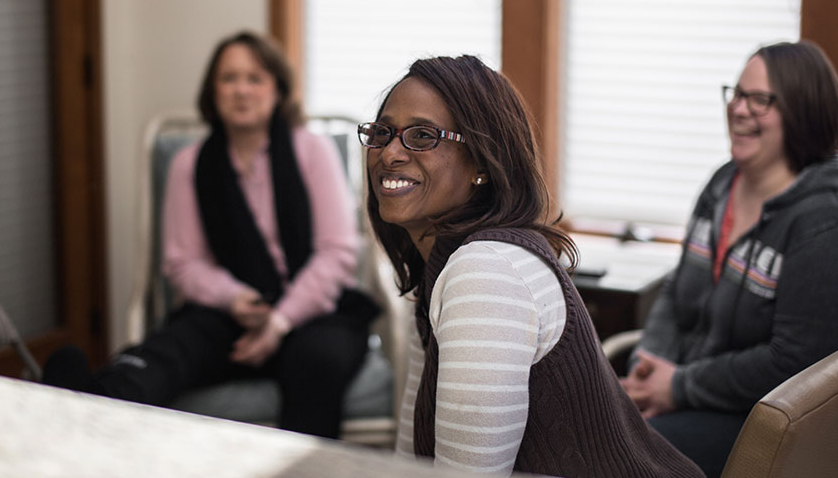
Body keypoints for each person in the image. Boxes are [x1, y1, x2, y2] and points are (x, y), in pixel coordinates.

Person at [360, 55, 703, 477]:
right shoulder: (437, 271)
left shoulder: (484, 274)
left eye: (422, 135)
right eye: (382, 133)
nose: (390, 153)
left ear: (482, 164)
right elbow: (413, 461)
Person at [44, 30, 376, 439]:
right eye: (229, 78)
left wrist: (278, 322)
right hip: (228, 312)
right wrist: (234, 299)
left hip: (311, 313)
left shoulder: (313, 151)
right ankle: (81, 408)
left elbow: (337, 254)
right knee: (169, 351)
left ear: (278, 89)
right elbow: (183, 263)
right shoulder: (190, 164)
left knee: (316, 362)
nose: (241, 90)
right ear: (212, 90)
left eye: (255, 78)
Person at [621, 40, 838, 477]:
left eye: (759, 100)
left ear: (803, 110)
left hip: (752, 418)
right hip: (679, 390)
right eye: (736, 94)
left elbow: (790, 362)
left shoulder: (821, 219)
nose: (739, 109)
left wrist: (677, 387)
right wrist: (646, 367)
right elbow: (674, 293)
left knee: (619, 454)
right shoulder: (722, 183)